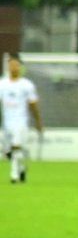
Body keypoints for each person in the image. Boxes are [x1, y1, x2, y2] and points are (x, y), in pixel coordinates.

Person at [1, 53, 43, 183]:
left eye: (16, 65)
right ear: (8, 66)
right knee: (8, 150)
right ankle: (22, 167)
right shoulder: (2, 84)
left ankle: (14, 175)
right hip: (7, 122)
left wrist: (38, 121)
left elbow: (33, 105)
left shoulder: (27, 85)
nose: (13, 67)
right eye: (11, 65)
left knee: (16, 146)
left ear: (20, 67)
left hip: (21, 121)